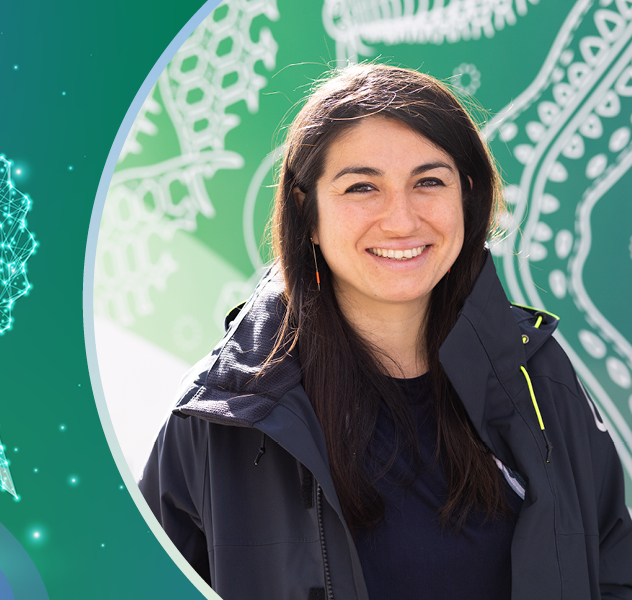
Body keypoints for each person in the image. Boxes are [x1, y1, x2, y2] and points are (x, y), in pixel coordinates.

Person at [138, 64, 632, 600]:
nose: (401, 220)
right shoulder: (224, 414)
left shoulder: (537, 374)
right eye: (362, 187)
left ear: (467, 194)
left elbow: (611, 568)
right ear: (307, 209)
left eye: (428, 182)